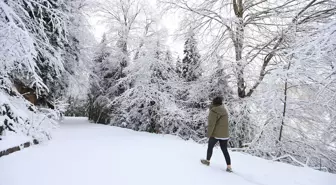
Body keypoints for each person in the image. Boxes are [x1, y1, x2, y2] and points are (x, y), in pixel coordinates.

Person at [200, 96, 232, 172]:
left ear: (213, 102)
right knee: (225, 150)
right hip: (225, 134)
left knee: (210, 146)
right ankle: (229, 167)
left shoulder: (214, 111)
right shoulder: (224, 110)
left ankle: (207, 161)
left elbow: (212, 124)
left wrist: (209, 134)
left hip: (216, 134)